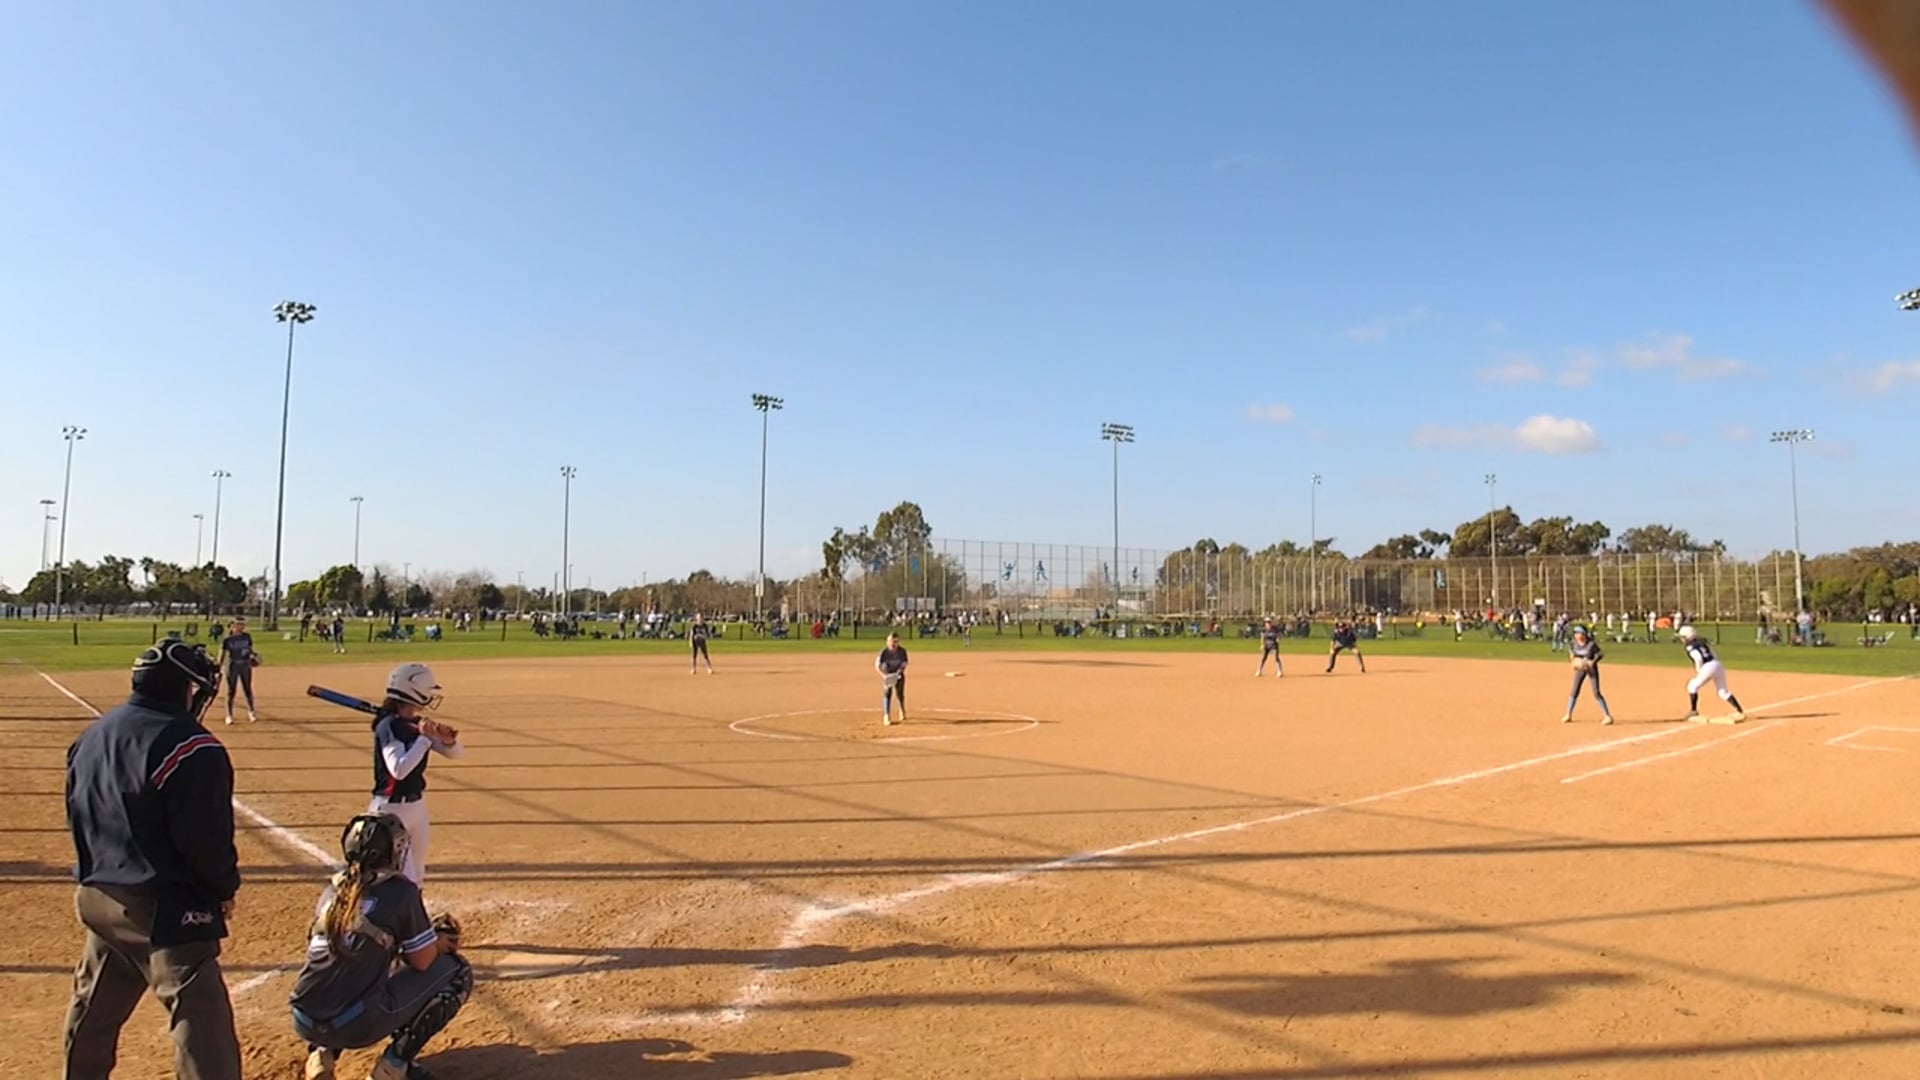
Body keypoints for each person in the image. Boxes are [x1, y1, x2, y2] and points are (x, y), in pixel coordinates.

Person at [63, 640, 242, 1080]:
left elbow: (77, 812)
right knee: (200, 1017)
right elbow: (205, 839)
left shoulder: (92, 735)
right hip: (162, 906)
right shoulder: (193, 746)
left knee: (94, 1007)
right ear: (184, 688)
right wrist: (222, 888)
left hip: (98, 893)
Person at [291, 813, 470, 1080]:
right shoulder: (400, 891)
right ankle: (392, 1066)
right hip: (355, 1025)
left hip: (303, 1019)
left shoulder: (332, 890)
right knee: (457, 972)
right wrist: (438, 943)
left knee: (343, 968)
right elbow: (422, 961)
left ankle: (320, 1055)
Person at [368, 664, 462, 886]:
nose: (430, 694)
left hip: (416, 808)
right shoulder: (389, 726)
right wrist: (424, 739)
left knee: (417, 876)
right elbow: (399, 769)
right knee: (400, 878)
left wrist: (448, 740)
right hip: (390, 810)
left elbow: (457, 754)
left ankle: (413, 909)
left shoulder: (415, 725)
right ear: (414, 690)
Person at [1678, 625, 1747, 722]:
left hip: (1708, 666)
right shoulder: (1702, 641)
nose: (1682, 639)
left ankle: (1694, 711)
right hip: (1717, 664)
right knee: (1723, 692)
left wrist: (1699, 670)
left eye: (1683, 637)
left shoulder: (1690, 646)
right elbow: (1713, 653)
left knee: (1692, 686)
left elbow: (1698, 658)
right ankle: (1739, 711)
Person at [1562, 626, 1615, 725]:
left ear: (1584, 634)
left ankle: (1607, 716)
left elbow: (1600, 654)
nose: (1576, 635)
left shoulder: (1591, 644)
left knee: (1596, 692)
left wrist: (1593, 662)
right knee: (1574, 690)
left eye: (1578, 633)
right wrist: (1573, 661)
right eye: (1575, 633)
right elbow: (1573, 655)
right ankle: (1568, 714)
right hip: (1581, 669)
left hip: (1591, 669)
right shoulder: (1574, 644)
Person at [218, 615, 259, 724]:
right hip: (232, 666)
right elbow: (222, 654)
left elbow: (249, 649)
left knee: (247, 689)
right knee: (231, 690)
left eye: (243, 625)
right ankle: (229, 715)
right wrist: (218, 666)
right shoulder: (227, 639)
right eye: (239, 624)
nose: (241, 627)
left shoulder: (247, 637)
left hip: (245, 665)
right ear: (233, 625)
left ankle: (251, 712)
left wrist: (254, 656)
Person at [877, 631, 909, 726]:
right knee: (887, 693)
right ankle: (886, 715)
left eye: (895, 641)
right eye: (891, 641)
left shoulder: (902, 651)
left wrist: (899, 672)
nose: (893, 644)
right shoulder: (883, 653)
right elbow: (877, 665)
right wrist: (884, 676)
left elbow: (904, 663)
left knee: (900, 694)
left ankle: (902, 710)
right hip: (888, 675)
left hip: (898, 675)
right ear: (887, 642)